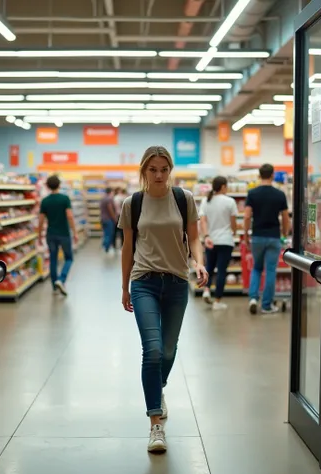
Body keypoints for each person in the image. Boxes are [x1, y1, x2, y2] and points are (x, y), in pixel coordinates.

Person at [118, 145, 208, 454]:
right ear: (143, 170)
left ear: (170, 170)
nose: (159, 175)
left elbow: (194, 237)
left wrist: (198, 261)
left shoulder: (184, 199)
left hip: (177, 283)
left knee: (168, 349)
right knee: (153, 350)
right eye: (153, 169)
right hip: (144, 281)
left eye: (164, 169)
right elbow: (127, 247)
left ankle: (159, 388)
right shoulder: (133, 203)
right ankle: (155, 424)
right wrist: (124, 286)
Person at [244, 164, 290, 314]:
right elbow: (285, 217)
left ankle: (252, 298)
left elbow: (246, 216)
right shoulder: (279, 194)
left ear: (259, 175)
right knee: (271, 270)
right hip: (273, 236)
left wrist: (246, 234)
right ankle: (266, 305)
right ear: (272, 175)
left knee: (257, 268)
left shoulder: (252, 193)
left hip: (257, 236)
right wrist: (284, 233)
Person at [199, 176, 238, 310]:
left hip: (211, 240)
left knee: (209, 267)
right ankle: (217, 301)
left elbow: (202, 221)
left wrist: (206, 235)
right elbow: (233, 223)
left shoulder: (205, 200)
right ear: (222, 187)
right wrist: (234, 230)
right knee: (221, 270)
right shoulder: (230, 201)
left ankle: (206, 290)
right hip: (225, 240)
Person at [38, 175, 78, 296]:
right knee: (69, 258)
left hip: (51, 234)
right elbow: (70, 216)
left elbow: (40, 220)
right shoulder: (64, 199)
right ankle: (61, 279)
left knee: (53, 259)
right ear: (59, 185)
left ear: (48, 186)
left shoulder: (45, 201)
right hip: (64, 234)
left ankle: (54, 286)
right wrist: (75, 232)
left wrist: (39, 236)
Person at [100, 187, 117, 253]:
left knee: (105, 233)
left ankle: (104, 245)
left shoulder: (103, 199)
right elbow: (110, 209)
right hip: (108, 219)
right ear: (111, 192)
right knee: (109, 234)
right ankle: (106, 247)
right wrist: (114, 218)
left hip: (103, 219)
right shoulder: (109, 199)